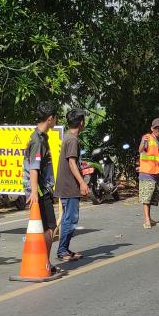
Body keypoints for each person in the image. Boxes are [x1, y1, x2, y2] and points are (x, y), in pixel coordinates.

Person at [23, 101, 62, 275]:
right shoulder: (37, 140)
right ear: (50, 118)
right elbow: (34, 167)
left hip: (41, 188)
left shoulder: (41, 137)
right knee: (50, 227)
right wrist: (33, 193)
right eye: (56, 118)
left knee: (48, 227)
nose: (56, 121)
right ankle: (43, 261)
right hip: (39, 190)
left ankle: (44, 261)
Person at [53, 108, 88, 262]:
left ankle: (65, 249)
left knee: (68, 218)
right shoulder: (72, 139)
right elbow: (72, 163)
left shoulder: (67, 137)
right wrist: (81, 182)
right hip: (69, 186)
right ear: (81, 123)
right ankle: (62, 251)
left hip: (65, 185)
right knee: (70, 219)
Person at [138, 118, 159, 229]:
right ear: (152, 128)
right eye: (156, 127)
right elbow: (140, 149)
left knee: (152, 196)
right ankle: (147, 220)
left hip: (156, 172)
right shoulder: (147, 137)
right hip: (146, 172)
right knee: (146, 196)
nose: (158, 129)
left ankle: (150, 218)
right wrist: (143, 142)